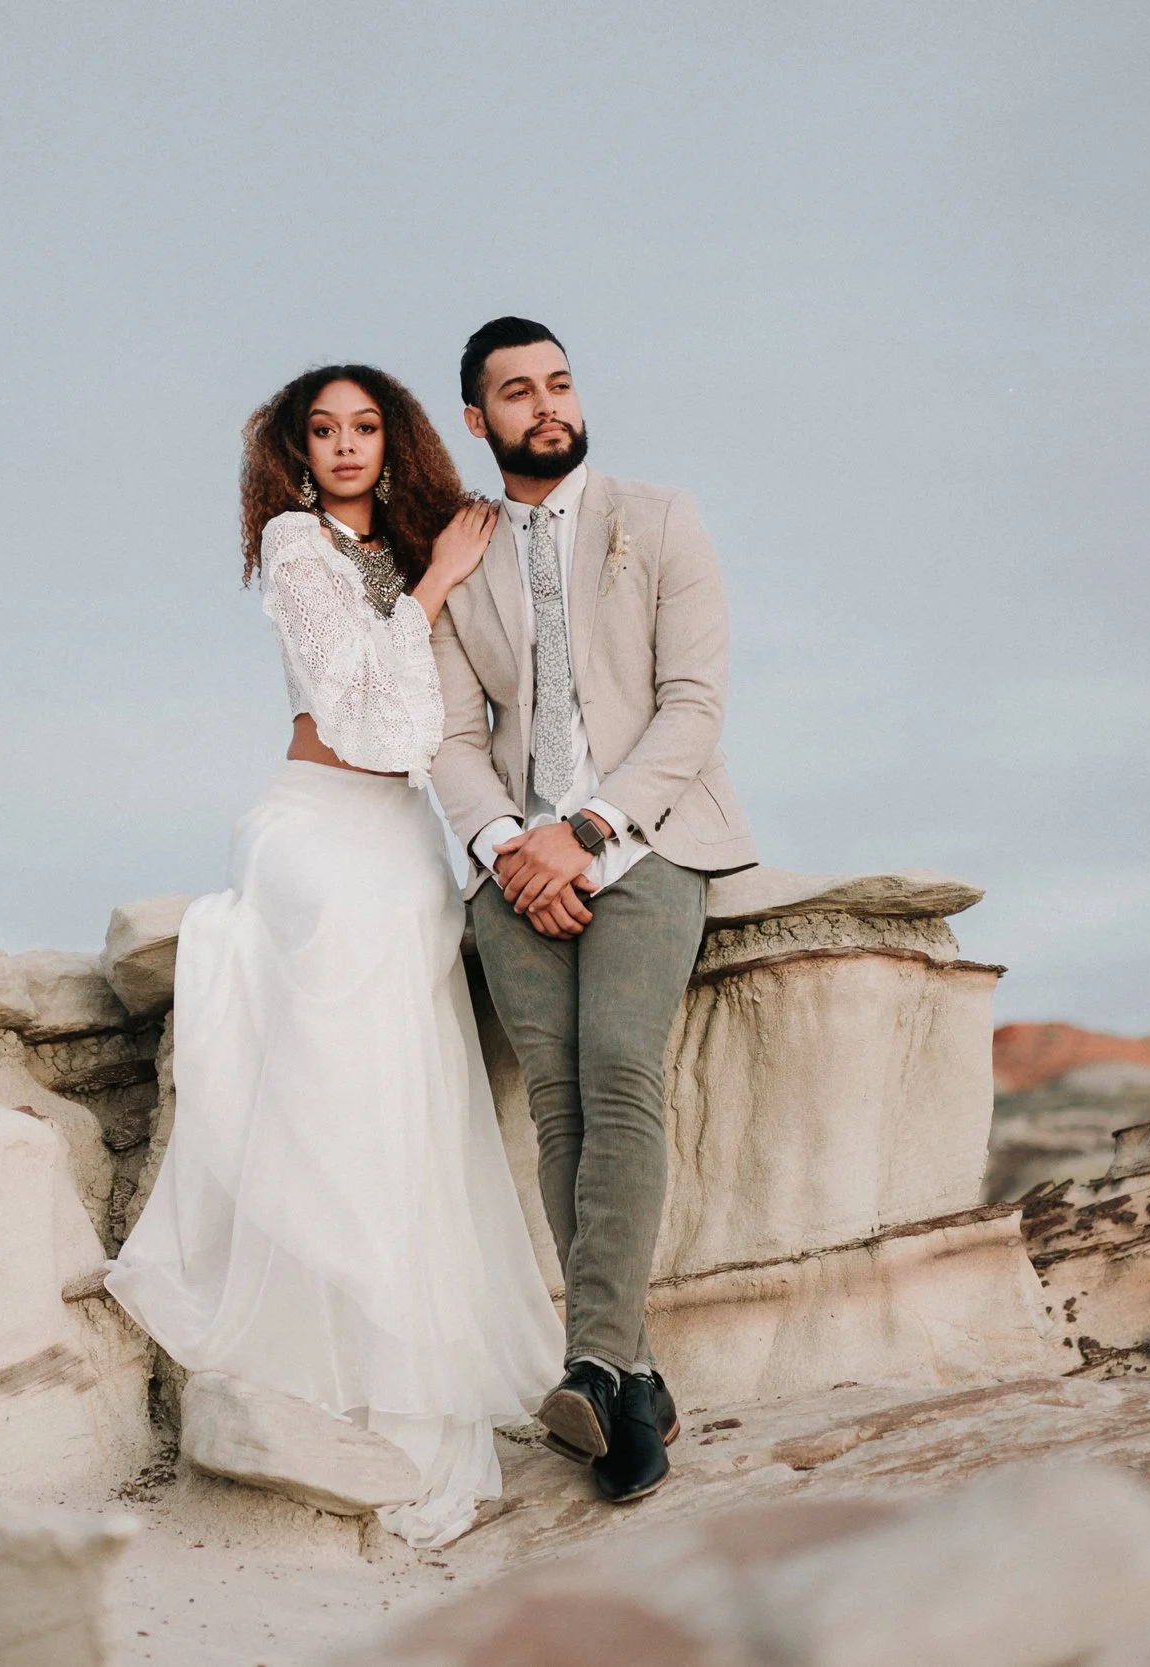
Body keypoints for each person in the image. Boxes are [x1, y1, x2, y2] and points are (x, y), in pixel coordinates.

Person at [105, 364, 564, 1548]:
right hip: (312, 816)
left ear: (395, 442)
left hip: (407, 833)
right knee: (332, 1032)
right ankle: (319, 1341)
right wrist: (438, 586)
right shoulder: (301, 549)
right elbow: (363, 713)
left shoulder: (419, 540)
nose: (347, 446)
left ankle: (409, 1376)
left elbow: (462, 710)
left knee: (412, 1079)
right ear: (298, 454)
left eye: (366, 427)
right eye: (325, 431)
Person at [429, 317, 758, 1504]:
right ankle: (630, 1384)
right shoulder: (458, 556)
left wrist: (589, 832)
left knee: (618, 1069)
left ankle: (590, 1362)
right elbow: (452, 734)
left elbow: (692, 705)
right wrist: (510, 844)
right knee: (559, 1100)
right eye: (517, 392)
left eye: (559, 383)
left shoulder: (660, 517)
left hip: (650, 837)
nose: (546, 405)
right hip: (513, 857)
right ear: (479, 418)